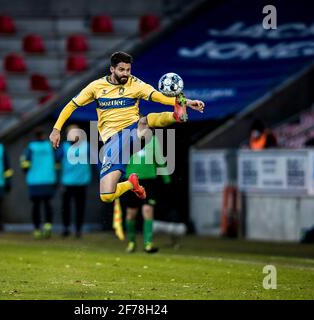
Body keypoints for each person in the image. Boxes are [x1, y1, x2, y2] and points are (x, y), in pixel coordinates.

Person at [49, 51, 204, 209]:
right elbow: (71, 105)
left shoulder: (135, 84)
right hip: (112, 143)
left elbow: (157, 96)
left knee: (144, 122)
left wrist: (186, 102)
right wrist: (56, 129)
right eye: (122, 70)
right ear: (112, 69)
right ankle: (131, 184)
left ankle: (175, 115)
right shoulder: (96, 87)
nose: (126, 74)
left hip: (132, 131)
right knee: (107, 195)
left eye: (128, 70)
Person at [123, 133, 171, 253]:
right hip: (131, 180)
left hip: (149, 181)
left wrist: (166, 179)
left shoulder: (153, 140)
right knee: (131, 214)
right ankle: (131, 242)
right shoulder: (127, 140)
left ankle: (148, 243)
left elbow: (159, 159)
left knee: (147, 210)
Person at [20, 127, 57, 239]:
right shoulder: (49, 146)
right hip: (48, 179)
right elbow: (57, 161)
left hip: (34, 180)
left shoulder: (31, 147)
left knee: (36, 206)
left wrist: (26, 168)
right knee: (47, 204)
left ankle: (36, 229)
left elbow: (25, 165)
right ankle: (48, 226)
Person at [57, 124, 92, 238]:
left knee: (80, 207)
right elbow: (56, 160)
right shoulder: (64, 146)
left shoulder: (86, 146)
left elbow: (96, 161)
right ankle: (66, 227)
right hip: (67, 182)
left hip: (82, 182)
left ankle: (78, 229)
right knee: (66, 207)